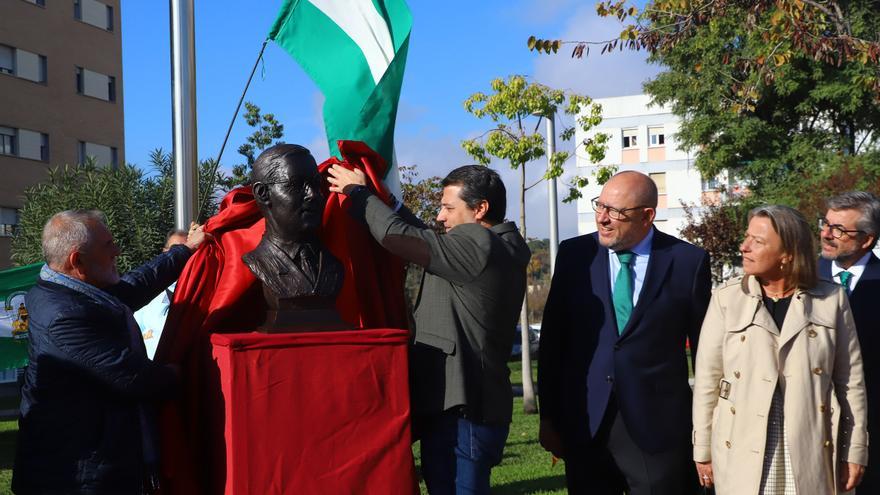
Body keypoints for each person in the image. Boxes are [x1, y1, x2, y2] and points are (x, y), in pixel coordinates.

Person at [327, 164, 530, 494]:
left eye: (449, 208)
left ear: (480, 209)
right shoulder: (500, 245)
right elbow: (424, 237)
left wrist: (358, 194)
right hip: (475, 410)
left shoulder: (478, 245)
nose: (440, 216)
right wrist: (389, 202)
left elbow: (402, 239)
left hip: (463, 415)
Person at [538, 171, 711, 494]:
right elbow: (552, 343)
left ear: (647, 216)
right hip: (586, 424)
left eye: (616, 212)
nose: (603, 219)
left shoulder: (688, 262)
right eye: (600, 206)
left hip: (658, 430)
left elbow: (706, 355)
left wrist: (706, 429)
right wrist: (548, 418)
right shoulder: (576, 256)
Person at [13, 210, 208, 494]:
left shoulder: (75, 291)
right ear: (77, 260)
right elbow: (134, 378)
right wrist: (190, 370)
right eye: (108, 246)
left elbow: (136, 285)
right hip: (78, 479)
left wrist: (186, 250)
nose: (117, 251)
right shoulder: (64, 314)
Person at [693, 205, 868, 494]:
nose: (744, 247)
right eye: (746, 237)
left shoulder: (831, 299)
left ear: (787, 254)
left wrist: (855, 450)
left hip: (809, 446)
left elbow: (850, 382)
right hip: (742, 445)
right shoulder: (726, 299)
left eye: (758, 241)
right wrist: (702, 448)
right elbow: (707, 382)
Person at [817, 191, 880, 493]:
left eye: (839, 229)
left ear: (867, 239)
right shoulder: (799, 278)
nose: (826, 234)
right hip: (811, 428)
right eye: (826, 224)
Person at [134, 229, 187, 359]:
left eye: (188, 251)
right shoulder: (149, 299)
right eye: (175, 250)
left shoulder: (199, 295)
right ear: (165, 252)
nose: (182, 256)